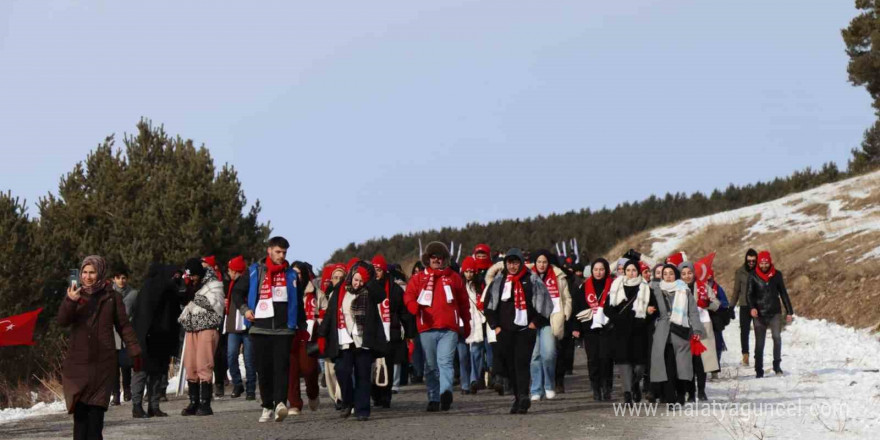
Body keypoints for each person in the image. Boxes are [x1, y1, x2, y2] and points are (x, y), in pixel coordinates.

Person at [58, 255, 142, 440]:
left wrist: (134, 350)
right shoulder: (74, 295)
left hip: (103, 365)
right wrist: (70, 301)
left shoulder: (112, 297)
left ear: (101, 273)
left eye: (92, 272)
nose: (87, 277)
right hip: (78, 365)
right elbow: (62, 321)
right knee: (80, 424)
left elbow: (124, 326)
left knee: (95, 425)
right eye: (84, 272)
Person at [237, 236, 300, 422]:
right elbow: (237, 293)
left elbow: (299, 304)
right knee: (263, 369)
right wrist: (245, 310)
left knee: (281, 367)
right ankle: (267, 406)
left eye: (284, 253)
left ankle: (280, 403)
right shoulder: (254, 271)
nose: (281, 256)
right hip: (260, 329)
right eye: (278, 252)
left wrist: (301, 326)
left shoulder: (291, 274)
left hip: (284, 330)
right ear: (269, 250)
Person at [404, 241, 471, 412]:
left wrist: (467, 322)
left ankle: (445, 392)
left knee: (445, 362)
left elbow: (464, 303)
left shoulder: (454, 278)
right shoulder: (418, 278)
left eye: (440, 258)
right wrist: (413, 307)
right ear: (428, 259)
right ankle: (433, 397)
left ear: (445, 259)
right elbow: (409, 296)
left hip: (449, 328)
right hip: (426, 327)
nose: (437, 260)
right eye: (433, 257)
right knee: (431, 365)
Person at [317, 261, 387, 421]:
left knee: (363, 376)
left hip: (363, 340)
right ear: (351, 277)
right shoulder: (340, 290)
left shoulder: (369, 292)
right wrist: (322, 335)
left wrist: (368, 281)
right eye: (356, 280)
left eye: (361, 281)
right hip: (344, 339)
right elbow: (329, 314)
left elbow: (381, 296)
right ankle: (348, 401)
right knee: (341, 370)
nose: (358, 283)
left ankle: (362, 410)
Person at [484, 248, 552, 414]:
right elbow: (489, 306)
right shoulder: (499, 281)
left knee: (521, 364)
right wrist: (496, 326)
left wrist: (535, 323)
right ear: (505, 263)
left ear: (521, 262)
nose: (513, 266)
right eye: (509, 263)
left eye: (515, 262)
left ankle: (523, 396)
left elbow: (545, 304)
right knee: (510, 366)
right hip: (504, 331)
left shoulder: (532, 280)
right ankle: (517, 397)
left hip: (525, 330)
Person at [130, 263, 181, 418]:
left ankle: (153, 406)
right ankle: (137, 406)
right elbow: (144, 316)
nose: (176, 278)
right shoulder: (153, 288)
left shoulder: (166, 290)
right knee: (142, 372)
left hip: (159, 338)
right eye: (174, 275)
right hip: (147, 338)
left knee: (157, 373)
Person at [649, 264, 705, 406]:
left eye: (671, 273)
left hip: (681, 332)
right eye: (665, 274)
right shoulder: (655, 290)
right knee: (668, 369)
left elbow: (693, 312)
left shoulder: (684, 291)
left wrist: (697, 330)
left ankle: (681, 395)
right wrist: (647, 309)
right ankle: (670, 399)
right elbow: (648, 307)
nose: (668, 276)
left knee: (682, 368)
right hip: (663, 334)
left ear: (676, 275)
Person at [178, 258, 225, 416]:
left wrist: (194, 296)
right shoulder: (192, 285)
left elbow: (216, 306)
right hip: (192, 328)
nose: (191, 279)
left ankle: (205, 403)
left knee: (203, 364)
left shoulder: (213, 285)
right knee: (190, 365)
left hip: (207, 327)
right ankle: (193, 401)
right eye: (189, 276)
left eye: (194, 276)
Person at [606, 260, 656, 405]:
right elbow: (607, 308)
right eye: (628, 270)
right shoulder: (616, 286)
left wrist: (647, 314)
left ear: (638, 272)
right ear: (624, 272)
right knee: (624, 363)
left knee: (640, 366)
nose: (631, 273)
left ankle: (635, 383)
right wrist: (618, 319)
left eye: (634, 270)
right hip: (621, 332)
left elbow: (653, 309)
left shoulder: (646, 289)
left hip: (640, 331)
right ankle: (627, 393)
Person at [569, 258, 615, 401]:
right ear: (591, 271)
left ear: (606, 270)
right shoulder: (583, 287)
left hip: (607, 328)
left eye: (601, 269)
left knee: (606, 358)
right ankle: (595, 387)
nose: (598, 272)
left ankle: (607, 386)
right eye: (596, 270)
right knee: (593, 359)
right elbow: (576, 308)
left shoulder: (613, 286)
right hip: (589, 328)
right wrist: (575, 328)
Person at [529, 249, 571, 401]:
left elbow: (566, 297)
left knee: (548, 354)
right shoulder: (528, 275)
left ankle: (549, 385)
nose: (541, 265)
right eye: (539, 262)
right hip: (532, 321)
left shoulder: (558, 276)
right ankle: (536, 389)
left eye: (544, 262)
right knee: (534, 356)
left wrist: (566, 313)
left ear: (549, 263)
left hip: (550, 320)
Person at [370, 255, 410, 407]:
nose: (377, 273)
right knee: (374, 366)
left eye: (379, 270)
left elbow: (403, 312)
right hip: (373, 331)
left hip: (391, 332)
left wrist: (408, 331)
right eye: (374, 270)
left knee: (387, 364)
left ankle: (386, 396)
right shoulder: (369, 286)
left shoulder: (395, 289)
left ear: (384, 271)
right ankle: (375, 394)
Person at [747, 251, 794, 378]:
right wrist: (752, 308)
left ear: (770, 262)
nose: (764, 265)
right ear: (759, 263)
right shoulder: (753, 275)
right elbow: (749, 294)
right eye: (761, 262)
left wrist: (789, 311)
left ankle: (777, 365)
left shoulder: (777, 275)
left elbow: (783, 293)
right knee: (760, 342)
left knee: (777, 337)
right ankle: (759, 369)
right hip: (759, 314)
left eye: (766, 262)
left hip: (774, 312)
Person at [678, 261, 720, 401]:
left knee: (701, 360)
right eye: (683, 274)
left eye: (689, 273)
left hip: (701, 326)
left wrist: (707, 304)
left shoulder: (703, 287)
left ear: (693, 273)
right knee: (687, 361)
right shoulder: (676, 288)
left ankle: (701, 390)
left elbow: (717, 304)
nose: (687, 276)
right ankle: (690, 392)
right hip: (683, 327)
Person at [287, 261, 320, 415]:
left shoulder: (316, 292)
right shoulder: (285, 290)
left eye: (299, 273)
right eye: (294, 272)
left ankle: (313, 394)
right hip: (289, 334)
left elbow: (325, 309)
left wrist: (319, 322)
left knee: (309, 369)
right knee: (291, 370)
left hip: (309, 334)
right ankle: (295, 403)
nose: (296, 276)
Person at [225, 255, 256, 400]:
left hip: (247, 325)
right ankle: (237, 384)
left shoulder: (248, 282)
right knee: (231, 355)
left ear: (236, 271)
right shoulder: (231, 285)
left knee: (249, 359)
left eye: (230, 270)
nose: (229, 273)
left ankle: (251, 388)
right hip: (233, 326)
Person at [458, 256, 488, 395]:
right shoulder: (458, 286)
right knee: (463, 356)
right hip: (462, 322)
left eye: (471, 271)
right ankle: (465, 384)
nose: (469, 274)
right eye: (467, 271)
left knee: (476, 353)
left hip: (476, 321)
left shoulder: (480, 285)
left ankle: (473, 380)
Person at [110, 264, 137, 406]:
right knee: (113, 365)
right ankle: (115, 394)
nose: (121, 280)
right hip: (112, 333)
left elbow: (136, 313)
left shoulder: (133, 294)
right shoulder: (108, 294)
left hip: (127, 332)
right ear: (113, 279)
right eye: (118, 278)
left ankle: (127, 389)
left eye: (124, 278)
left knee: (126, 364)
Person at [202, 256, 228, 398]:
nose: (202, 265)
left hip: (218, 319)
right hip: (203, 318)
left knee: (217, 354)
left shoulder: (220, 279)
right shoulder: (200, 280)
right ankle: (205, 385)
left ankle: (219, 383)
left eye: (204, 263)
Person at [730, 249, 758, 366]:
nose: (751, 262)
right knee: (744, 331)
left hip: (758, 306)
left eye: (753, 260)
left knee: (758, 331)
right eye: (749, 260)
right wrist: (731, 306)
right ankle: (745, 355)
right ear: (746, 259)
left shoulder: (760, 271)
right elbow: (736, 290)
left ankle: (758, 356)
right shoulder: (740, 272)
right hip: (744, 305)